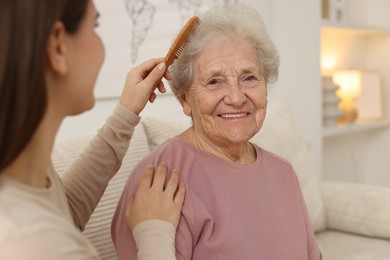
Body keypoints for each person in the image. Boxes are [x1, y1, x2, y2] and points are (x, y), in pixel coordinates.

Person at [112, 4, 322, 260]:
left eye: (249, 78)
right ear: (185, 101)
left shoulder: (284, 172)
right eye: (214, 81)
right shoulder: (159, 182)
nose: (236, 97)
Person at [0, 0, 184, 259]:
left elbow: (65, 214)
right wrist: (153, 231)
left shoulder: (22, 175)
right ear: (58, 46)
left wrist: (126, 114)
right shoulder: (32, 245)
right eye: (94, 25)